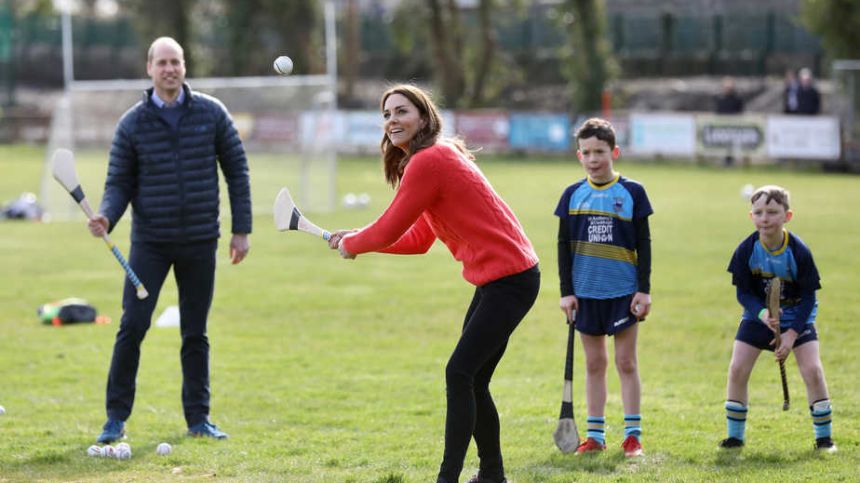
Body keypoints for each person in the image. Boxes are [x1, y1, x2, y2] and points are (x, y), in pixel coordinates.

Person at [328, 84, 540, 483]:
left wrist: (356, 242)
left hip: (510, 280)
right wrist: (358, 238)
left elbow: (389, 228)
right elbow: (418, 240)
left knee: (459, 374)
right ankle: (492, 475)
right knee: (473, 378)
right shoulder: (431, 159)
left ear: (423, 118)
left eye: (401, 112)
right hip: (502, 279)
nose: (392, 120)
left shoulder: (431, 160)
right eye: (387, 114)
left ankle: (449, 478)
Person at [87, 37, 252, 443]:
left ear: (184, 66)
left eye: (175, 62)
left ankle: (199, 419)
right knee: (133, 327)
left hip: (200, 241)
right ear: (150, 69)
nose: (169, 69)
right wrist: (107, 213)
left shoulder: (212, 114)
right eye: (162, 63)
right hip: (151, 244)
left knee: (195, 333)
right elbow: (118, 182)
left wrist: (241, 230)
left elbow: (237, 171)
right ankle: (115, 419)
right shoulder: (132, 123)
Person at [554, 118, 652, 457]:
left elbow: (644, 243)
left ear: (615, 152)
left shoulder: (633, 192)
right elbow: (563, 248)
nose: (593, 158)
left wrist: (644, 289)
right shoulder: (572, 195)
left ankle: (633, 436)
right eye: (587, 152)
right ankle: (595, 436)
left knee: (626, 362)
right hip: (585, 293)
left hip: (624, 291)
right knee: (594, 364)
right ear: (578, 155)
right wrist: (566, 292)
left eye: (600, 151)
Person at [720, 185, 835, 452]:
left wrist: (792, 334)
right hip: (758, 317)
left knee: (813, 371)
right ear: (751, 217)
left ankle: (824, 439)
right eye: (758, 212)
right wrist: (762, 314)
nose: (765, 218)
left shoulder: (798, 251)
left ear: (787, 216)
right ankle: (735, 437)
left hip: (798, 317)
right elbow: (744, 293)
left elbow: (809, 298)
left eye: (772, 212)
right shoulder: (746, 249)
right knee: (737, 369)